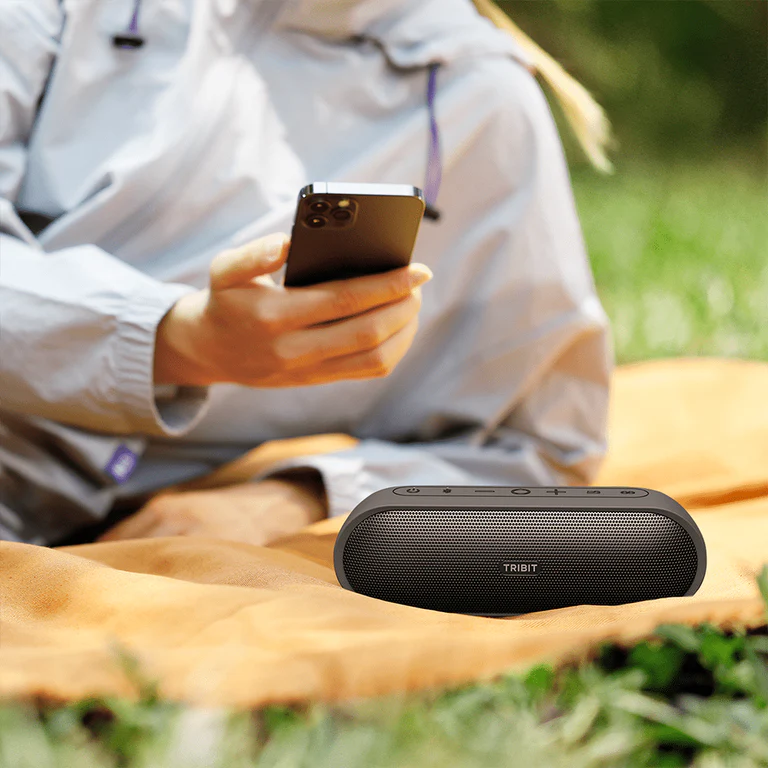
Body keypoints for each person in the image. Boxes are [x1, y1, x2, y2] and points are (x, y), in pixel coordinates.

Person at [0, 0, 613, 547]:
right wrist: (174, 340)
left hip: (132, 532)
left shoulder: (481, 102)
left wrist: (297, 497)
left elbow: (540, 452)